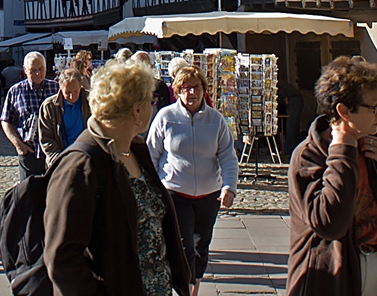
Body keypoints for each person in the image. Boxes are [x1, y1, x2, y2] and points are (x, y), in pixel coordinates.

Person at [44, 58, 191, 295]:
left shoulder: (135, 149)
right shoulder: (81, 164)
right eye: (150, 101)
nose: (154, 107)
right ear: (137, 110)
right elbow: (62, 259)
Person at [286, 56, 377, 296]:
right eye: (373, 107)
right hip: (332, 279)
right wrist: (341, 151)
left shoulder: (373, 149)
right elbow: (329, 223)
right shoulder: (309, 155)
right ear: (344, 111)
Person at [147, 66, 238, 296]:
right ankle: (184, 291)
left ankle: (193, 287)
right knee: (184, 245)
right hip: (176, 193)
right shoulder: (166, 117)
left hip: (209, 195)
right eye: (186, 88)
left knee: (201, 245)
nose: (191, 93)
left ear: (203, 90)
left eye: (196, 87)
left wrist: (229, 187)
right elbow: (151, 154)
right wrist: (154, 188)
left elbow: (227, 156)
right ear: (178, 91)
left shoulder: (215, 120)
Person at [0, 51, 59, 179]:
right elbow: (5, 120)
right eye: (33, 70)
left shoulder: (56, 89)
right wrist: (18, 144)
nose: (37, 73)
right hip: (28, 152)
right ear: (25, 70)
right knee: (29, 195)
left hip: (53, 152)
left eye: (40, 69)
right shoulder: (15, 91)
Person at [37, 67, 90, 167]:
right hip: (60, 160)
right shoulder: (49, 107)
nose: (72, 96)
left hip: (87, 157)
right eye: (68, 92)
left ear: (80, 87)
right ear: (60, 88)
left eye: (75, 92)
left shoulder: (91, 102)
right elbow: (47, 139)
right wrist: (60, 161)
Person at [134, 51, 172, 115]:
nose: (141, 68)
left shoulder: (160, 86)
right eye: (138, 64)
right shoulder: (128, 87)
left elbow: (166, 109)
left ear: (151, 66)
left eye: (145, 64)